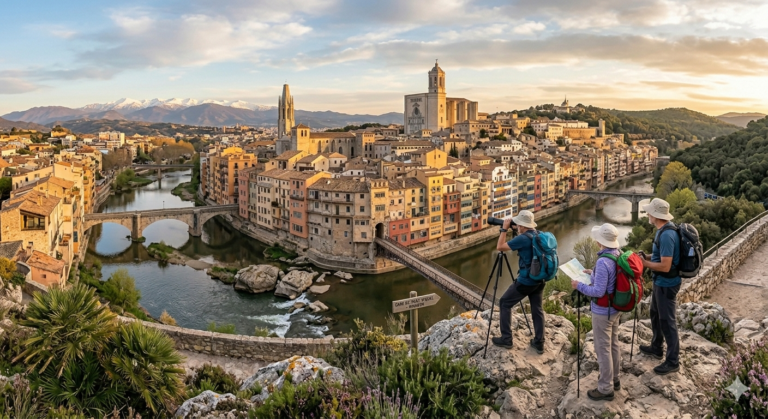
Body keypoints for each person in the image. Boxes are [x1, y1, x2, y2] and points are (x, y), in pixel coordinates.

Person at [570, 223, 622, 401]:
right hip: (615, 309)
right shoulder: (617, 255)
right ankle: (615, 379)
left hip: (603, 312)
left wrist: (579, 285)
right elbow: (611, 280)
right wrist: (593, 273)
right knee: (613, 344)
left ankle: (605, 388)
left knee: (603, 349)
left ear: (600, 242)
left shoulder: (603, 261)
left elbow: (598, 291)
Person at [492, 210, 546, 354]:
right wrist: (517, 229)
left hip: (526, 280)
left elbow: (500, 247)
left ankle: (506, 339)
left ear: (521, 225)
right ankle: (539, 342)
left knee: (504, 303)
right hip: (539, 279)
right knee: (537, 309)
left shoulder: (522, 239)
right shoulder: (538, 234)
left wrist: (504, 229)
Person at [638, 198, 680, 375]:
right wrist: (645, 257)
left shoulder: (668, 235)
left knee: (667, 321)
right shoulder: (661, 231)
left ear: (655, 215)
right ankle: (656, 347)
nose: (647, 214)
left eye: (649, 212)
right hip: (659, 282)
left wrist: (644, 264)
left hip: (667, 283)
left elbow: (665, 265)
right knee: (655, 314)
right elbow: (658, 256)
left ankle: (672, 361)